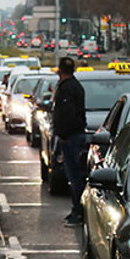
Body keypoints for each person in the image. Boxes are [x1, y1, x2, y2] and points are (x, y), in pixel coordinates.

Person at [51, 56, 87, 227]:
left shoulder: (67, 89)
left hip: (71, 138)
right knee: (75, 175)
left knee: (75, 176)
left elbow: (68, 114)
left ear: (60, 70)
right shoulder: (76, 86)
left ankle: (78, 211)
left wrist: (63, 134)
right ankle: (76, 209)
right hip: (74, 135)